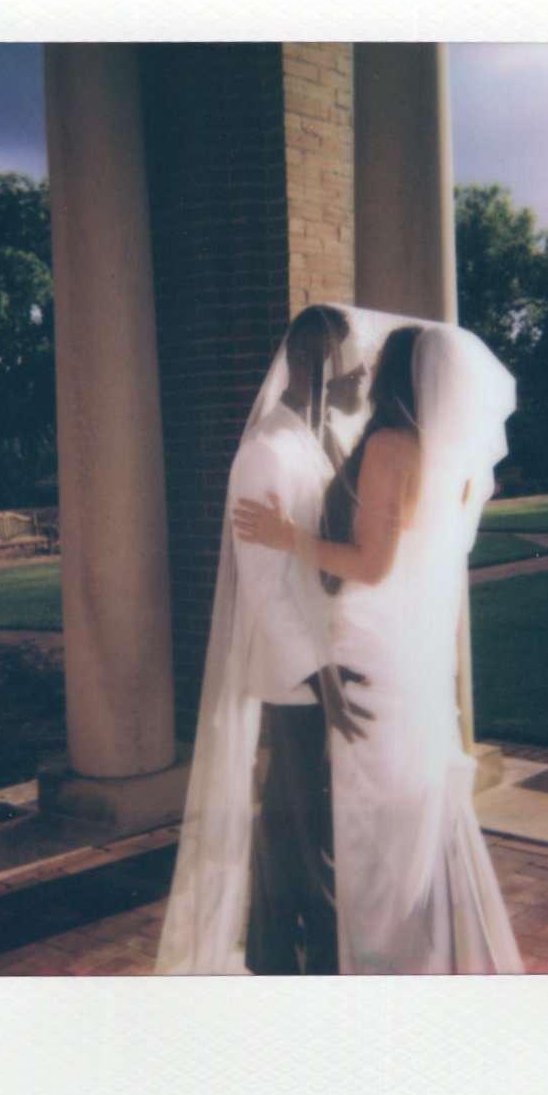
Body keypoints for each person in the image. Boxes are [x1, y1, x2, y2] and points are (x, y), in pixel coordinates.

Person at [233, 322, 524, 973]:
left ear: (399, 374)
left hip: (368, 646)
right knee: (396, 811)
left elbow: (371, 565)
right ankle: (417, 951)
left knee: (370, 820)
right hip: (401, 650)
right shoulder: (444, 458)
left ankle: (384, 962)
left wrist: (289, 537)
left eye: (375, 359)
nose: (361, 366)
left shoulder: (391, 445)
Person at [154, 305, 378, 975]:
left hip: (322, 670)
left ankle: (274, 960)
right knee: (309, 841)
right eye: (349, 363)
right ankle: (305, 971)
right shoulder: (263, 454)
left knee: (290, 833)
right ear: (312, 360)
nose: (360, 378)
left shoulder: (317, 438)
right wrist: (321, 679)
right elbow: (265, 588)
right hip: (296, 681)